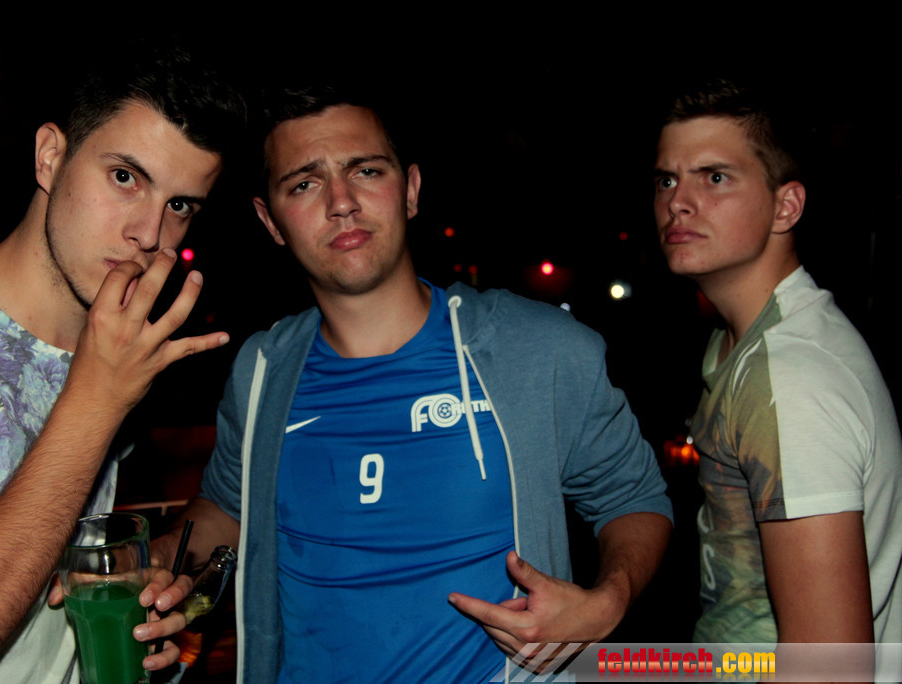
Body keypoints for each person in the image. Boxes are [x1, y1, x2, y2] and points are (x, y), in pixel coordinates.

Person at [158, 87, 672, 682]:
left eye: (366, 171)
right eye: (304, 184)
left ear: (410, 190)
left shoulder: (538, 351)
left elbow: (633, 497)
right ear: (270, 221)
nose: (341, 202)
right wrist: (163, 556)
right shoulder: (262, 371)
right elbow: (228, 505)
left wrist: (608, 602)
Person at [0, 44, 245, 684]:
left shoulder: (108, 347)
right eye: (125, 177)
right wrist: (97, 400)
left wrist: (138, 600)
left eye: (180, 205)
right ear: (50, 155)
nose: (149, 234)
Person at [653, 80, 902, 645]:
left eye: (715, 177)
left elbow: (829, 669)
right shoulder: (737, 343)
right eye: (667, 179)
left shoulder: (790, 379)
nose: (678, 201)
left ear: (785, 206)